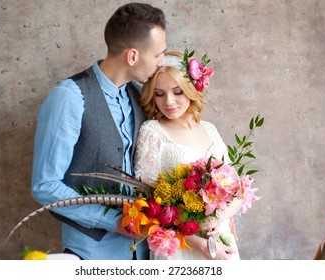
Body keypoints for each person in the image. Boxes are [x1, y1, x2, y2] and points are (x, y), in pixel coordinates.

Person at [31, 2, 167, 260]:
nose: (162, 62)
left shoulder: (139, 95)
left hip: (146, 252)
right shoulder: (69, 97)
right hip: (93, 253)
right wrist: (115, 221)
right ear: (133, 56)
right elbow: (45, 186)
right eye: (158, 54)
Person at [134, 51, 242, 260]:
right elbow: (149, 204)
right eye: (159, 94)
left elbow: (237, 189)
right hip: (181, 247)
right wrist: (202, 244)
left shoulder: (209, 129)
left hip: (221, 241)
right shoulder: (152, 132)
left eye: (177, 92)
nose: (169, 102)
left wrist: (222, 217)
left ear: (191, 90)